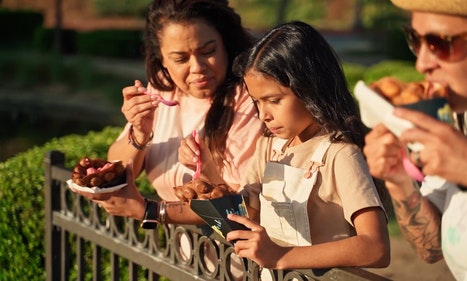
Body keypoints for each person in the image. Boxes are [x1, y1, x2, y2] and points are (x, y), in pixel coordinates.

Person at [222, 21, 391, 270]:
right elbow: (249, 212)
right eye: (257, 102)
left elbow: (375, 248)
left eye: (274, 100)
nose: (263, 115)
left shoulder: (340, 155)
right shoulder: (268, 147)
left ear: (310, 88)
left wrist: (282, 256)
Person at [362, 0, 467, 280]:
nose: (422, 63)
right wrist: (398, 179)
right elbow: (431, 248)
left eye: (440, 43)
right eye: (416, 40)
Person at [106, 0, 262, 202]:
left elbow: (240, 203)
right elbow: (116, 168)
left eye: (208, 52)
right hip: (177, 232)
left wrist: (153, 213)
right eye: (180, 59)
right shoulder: (164, 87)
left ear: (225, 43)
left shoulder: (250, 97)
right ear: (161, 59)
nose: (197, 67)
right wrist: (139, 133)